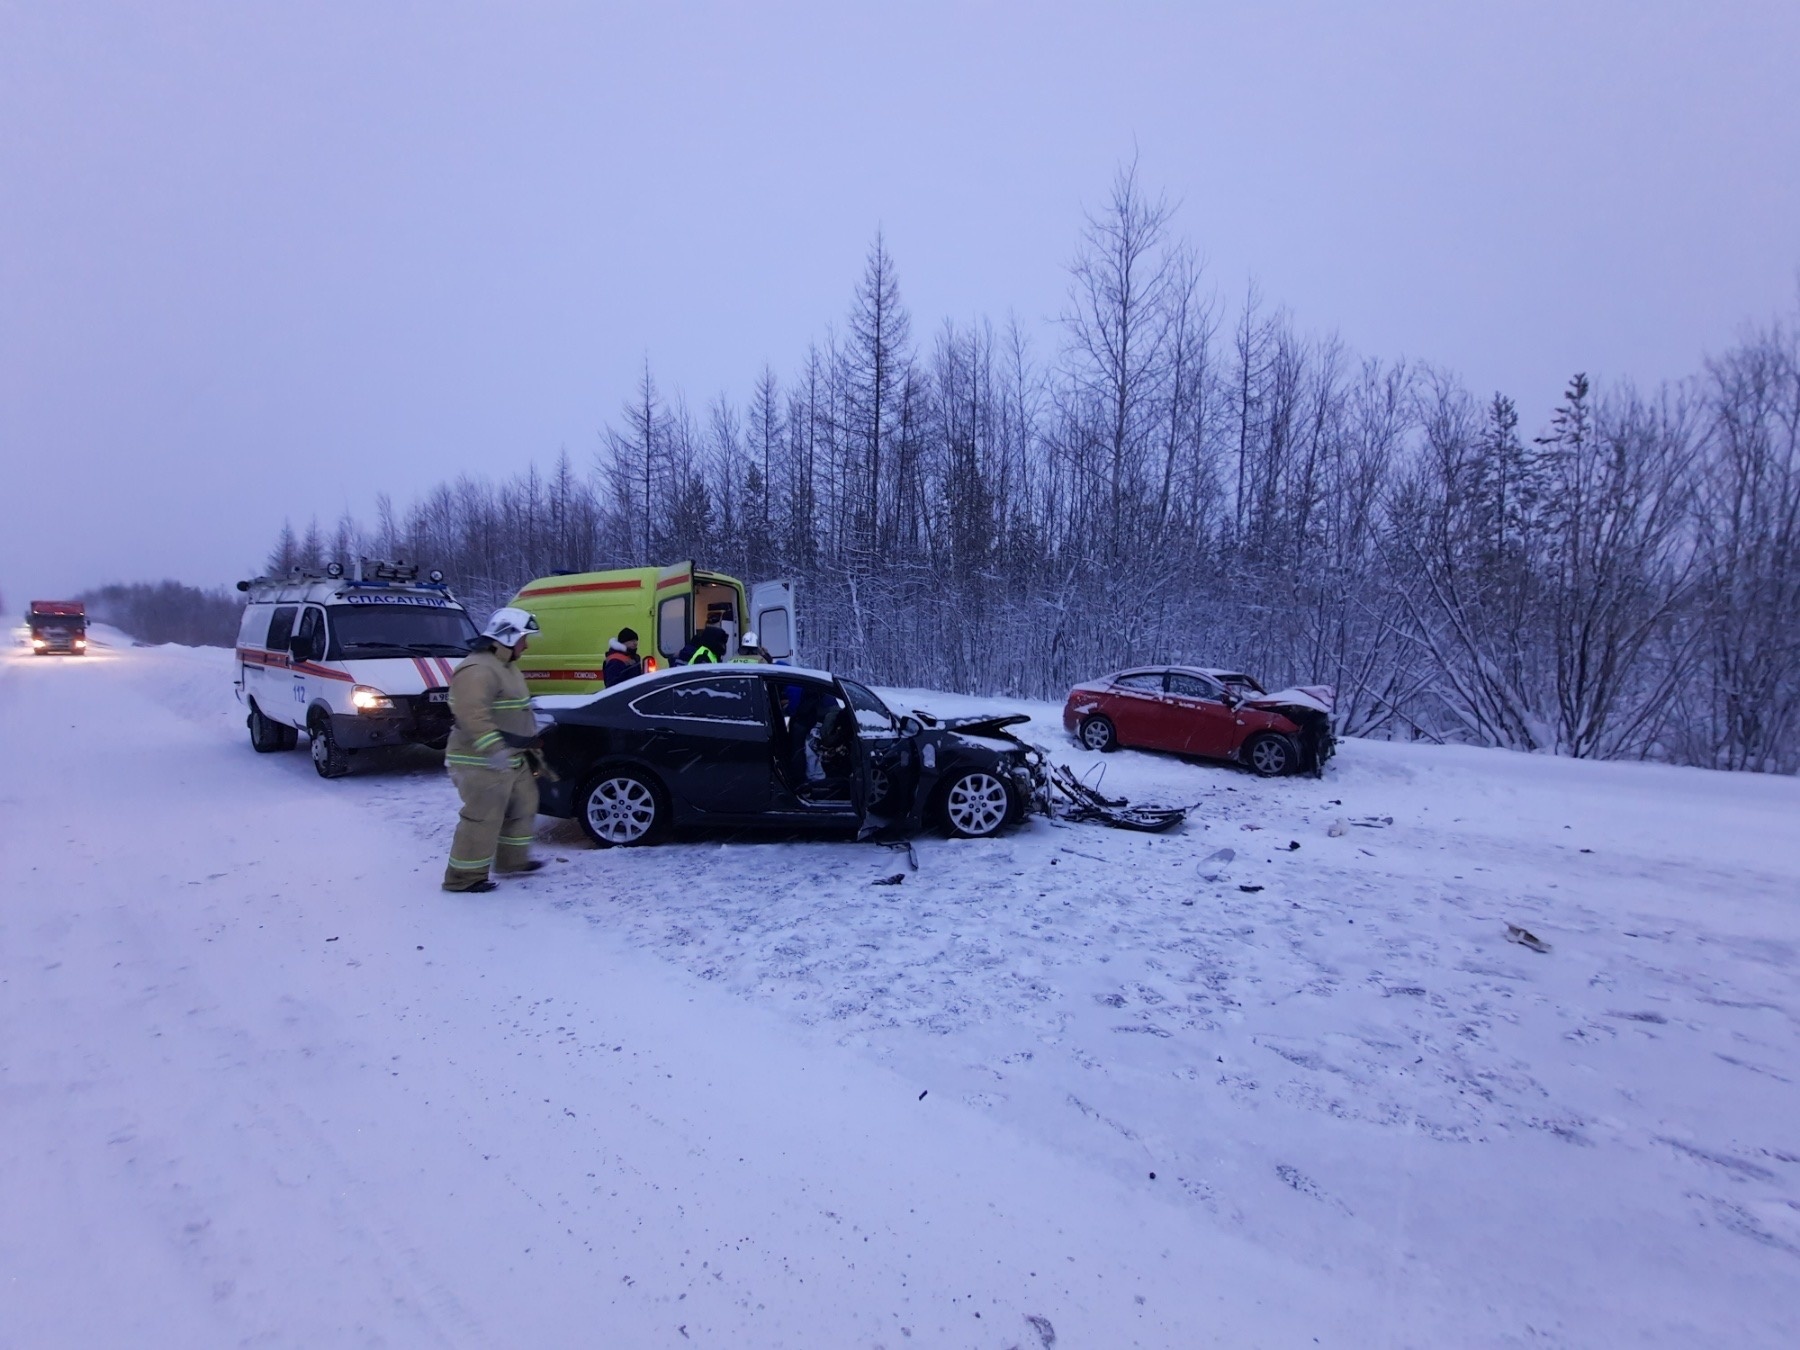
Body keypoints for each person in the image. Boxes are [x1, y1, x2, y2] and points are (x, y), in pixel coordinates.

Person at [442, 606, 544, 893]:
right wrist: (493, 749)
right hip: (479, 759)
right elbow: (471, 714)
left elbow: (511, 707)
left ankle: (512, 861)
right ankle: (463, 878)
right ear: (507, 637)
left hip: (510, 756)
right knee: (483, 816)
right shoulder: (477, 669)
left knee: (523, 804)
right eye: (524, 637)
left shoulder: (506, 667)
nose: (527, 644)